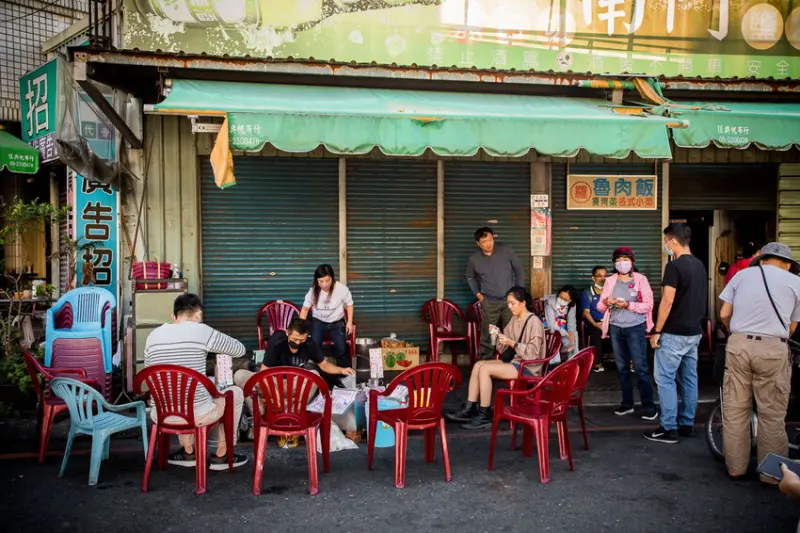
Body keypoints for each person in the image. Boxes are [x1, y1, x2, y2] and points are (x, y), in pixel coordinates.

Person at [718, 242, 800, 485]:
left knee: (735, 410)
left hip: (739, 345)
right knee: (772, 414)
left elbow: (724, 314)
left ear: (761, 260)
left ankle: (736, 468)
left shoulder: (741, 276)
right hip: (773, 348)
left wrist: (736, 332)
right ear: (788, 264)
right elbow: (793, 326)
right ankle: (771, 475)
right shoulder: (796, 282)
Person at [144, 293, 248, 470]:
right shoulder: (202, 331)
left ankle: (188, 451)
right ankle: (222, 455)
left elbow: (150, 375)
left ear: (174, 316)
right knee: (235, 393)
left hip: (161, 414)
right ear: (198, 314)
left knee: (182, 391)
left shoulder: (152, 336)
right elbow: (239, 350)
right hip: (197, 416)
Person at [233, 318, 355, 447]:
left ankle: (294, 415)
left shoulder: (309, 344)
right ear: (287, 333)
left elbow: (324, 365)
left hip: (294, 385)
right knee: (240, 376)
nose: (297, 343)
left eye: (301, 340)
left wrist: (342, 370)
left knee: (315, 375)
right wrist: (276, 395)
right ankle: (258, 416)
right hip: (273, 383)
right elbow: (264, 373)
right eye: (295, 339)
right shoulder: (277, 342)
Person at [446, 286, 546, 430]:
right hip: (516, 361)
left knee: (485, 369)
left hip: (528, 367)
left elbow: (534, 353)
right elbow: (503, 349)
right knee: (479, 365)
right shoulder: (514, 319)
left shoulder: (534, 322)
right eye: (508, 303)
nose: (509, 306)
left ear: (523, 303)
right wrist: (497, 335)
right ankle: (470, 407)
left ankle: (484, 414)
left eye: (513, 303)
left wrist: (512, 343)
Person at [645, 223, 708, 444]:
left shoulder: (674, 266)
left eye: (665, 242)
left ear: (672, 241)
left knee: (665, 379)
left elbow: (667, 301)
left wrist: (657, 330)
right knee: (689, 379)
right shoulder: (700, 265)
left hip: (674, 333)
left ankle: (668, 427)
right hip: (694, 332)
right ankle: (687, 424)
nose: (665, 246)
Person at [596, 248, 657, 420]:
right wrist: (606, 302)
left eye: (625, 259)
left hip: (635, 328)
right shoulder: (610, 281)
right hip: (616, 328)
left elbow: (648, 305)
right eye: (618, 259)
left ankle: (649, 406)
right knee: (622, 368)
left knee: (640, 367)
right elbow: (600, 307)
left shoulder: (641, 280)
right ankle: (627, 403)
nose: (622, 263)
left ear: (632, 261)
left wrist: (628, 305)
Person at [466, 227, 526, 360]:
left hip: (510, 302)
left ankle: (512, 360)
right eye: (484, 241)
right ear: (478, 244)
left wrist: (519, 293)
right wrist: (478, 295)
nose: (488, 243)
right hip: (490, 303)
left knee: (511, 331)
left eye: (490, 239)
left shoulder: (506, 250)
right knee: (490, 334)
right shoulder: (474, 259)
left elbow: (519, 271)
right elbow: (470, 277)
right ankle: (486, 361)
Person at [299, 264, 354, 369]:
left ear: (332, 278)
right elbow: (305, 309)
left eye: (327, 281)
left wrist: (349, 322)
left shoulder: (341, 289)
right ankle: (316, 373)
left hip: (337, 322)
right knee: (315, 347)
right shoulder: (313, 291)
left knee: (341, 349)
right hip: (318, 322)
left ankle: (345, 374)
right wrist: (301, 327)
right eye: (321, 281)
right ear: (316, 280)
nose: (324, 284)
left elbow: (350, 304)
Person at [580, 266, 608, 373]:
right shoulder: (587, 293)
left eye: (605, 276)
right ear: (593, 278)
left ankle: (628, 361)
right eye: (599, 276)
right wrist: (595, 323)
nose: (603, 279)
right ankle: (597, 362)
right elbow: (586, 312)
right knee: (596, 331)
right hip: (594, 322)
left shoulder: (610, 292)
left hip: (609, 322)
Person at [544, 286, 579, 362]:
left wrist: (570, 332)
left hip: (563, 325)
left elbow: (571, 320)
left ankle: (572, 360)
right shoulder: (549, 302)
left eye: (565, 299)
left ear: (570, 300)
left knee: (574, 334)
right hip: (550, 326)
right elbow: (551, 324)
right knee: (554, 334)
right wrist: (566, 334)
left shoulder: (571, 305)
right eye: (560, 297)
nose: (562, 300)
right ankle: (554, 363)